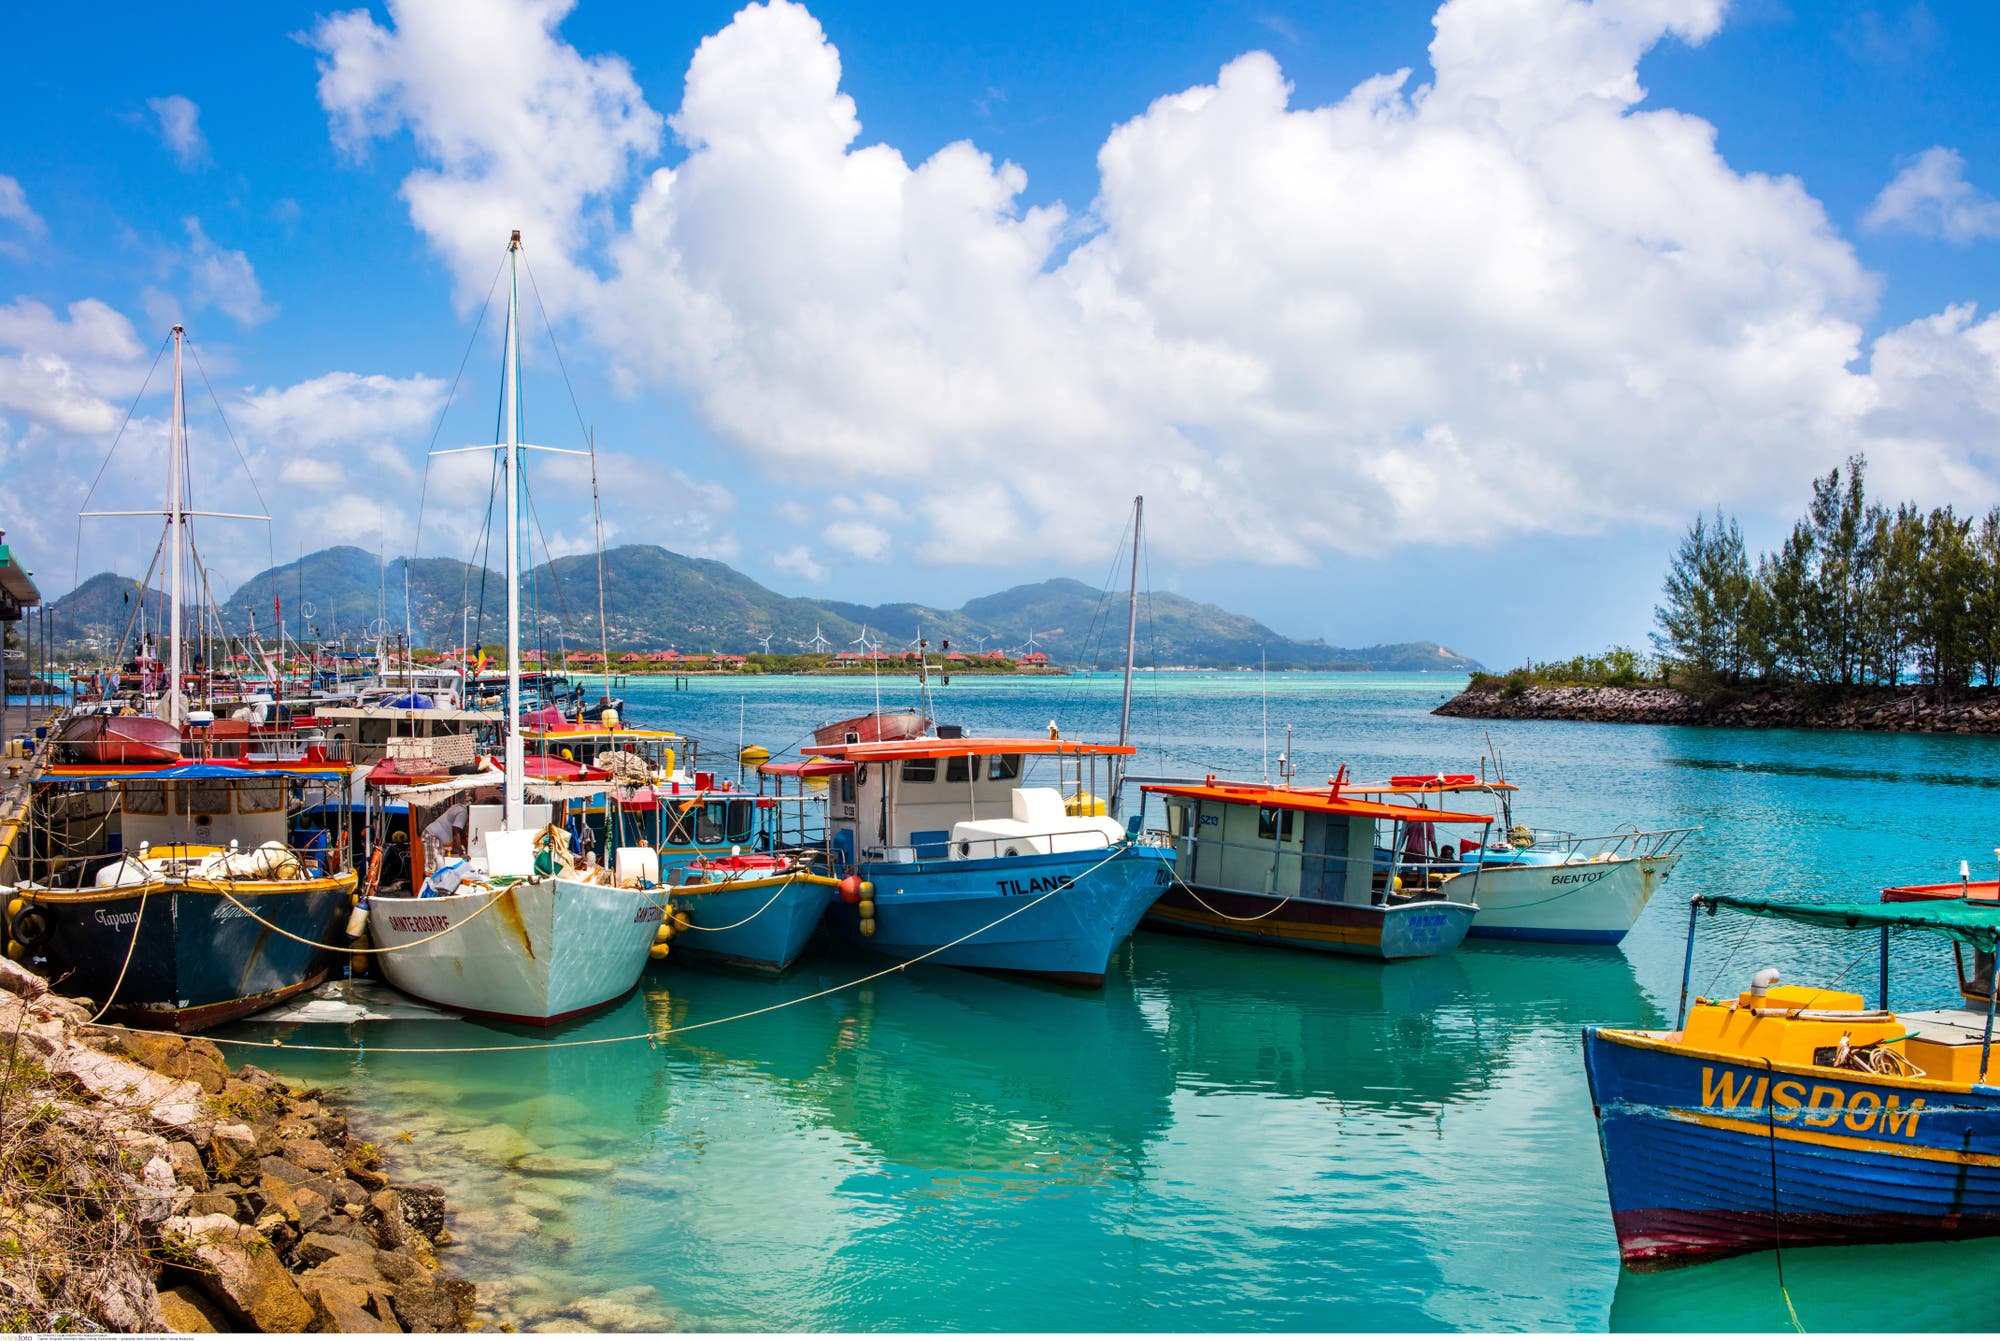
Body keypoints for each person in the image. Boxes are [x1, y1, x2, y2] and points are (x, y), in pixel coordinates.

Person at [422, 800, 469, 871]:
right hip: (432, 836)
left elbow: (462, 834)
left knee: (440, 867)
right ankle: (429, 881)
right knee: (432, 867)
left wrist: (467, 850)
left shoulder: (460, 808)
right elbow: (456, 831)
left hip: (436, 838)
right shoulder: (463, 813)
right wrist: (461, 853)